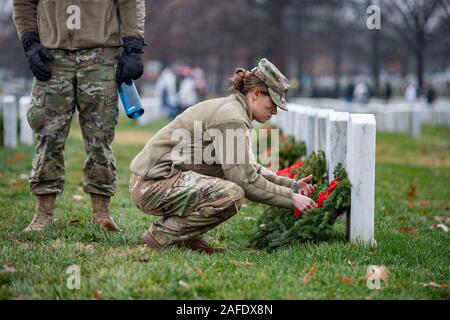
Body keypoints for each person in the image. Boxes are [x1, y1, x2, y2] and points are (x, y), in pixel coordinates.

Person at [129, 58, 318, 254]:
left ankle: (186, 238)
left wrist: (292, 186)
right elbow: (246, 181)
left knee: (225, 182)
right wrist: (292, 199)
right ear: (256, 94)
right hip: (151, 185)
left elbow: (248, 168)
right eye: (273, 102)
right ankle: (162, 235)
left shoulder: (235, 111)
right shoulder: (232, 117)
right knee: (231, 194)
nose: (275, 111)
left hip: (158, 182)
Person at [13, 0, 146, 232]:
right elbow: (23, 2)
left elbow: (131, 2)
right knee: (48, 135)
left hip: (101, 55)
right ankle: (43, 213)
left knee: (100, 137)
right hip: (51, 55)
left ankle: (101, 212)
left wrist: (133, 47)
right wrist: (30, 42)